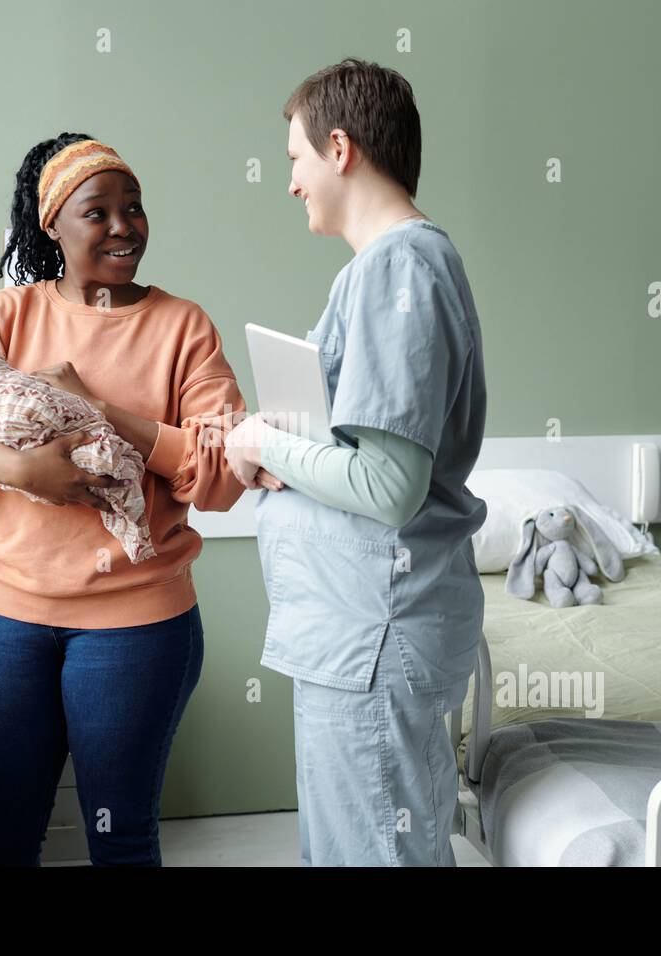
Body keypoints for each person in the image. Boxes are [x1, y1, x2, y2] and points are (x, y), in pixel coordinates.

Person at [0, 134, 269, 866]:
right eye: (98, 212)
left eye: (134, 209)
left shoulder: (184, 328)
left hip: (138, 630)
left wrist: (97, 407)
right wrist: (21, 469)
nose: (125, 226)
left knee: (118, 839)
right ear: (52, 228)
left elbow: (221, 476)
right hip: (7, 622)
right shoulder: (6, 318)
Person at [225, 58, 489, 866]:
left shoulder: (397, 269)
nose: (292, 184)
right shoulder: (388, 270)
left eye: (296, 161)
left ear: (340, 148)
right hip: (359, 631)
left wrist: (262, 445)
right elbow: (366, 450)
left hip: (375, 631)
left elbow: (389, 484)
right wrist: (288, 444)